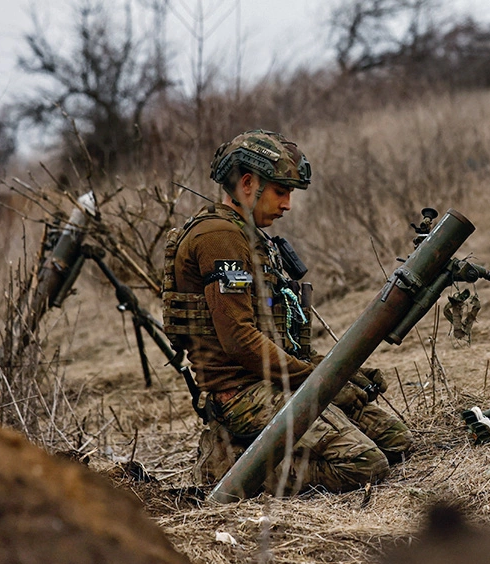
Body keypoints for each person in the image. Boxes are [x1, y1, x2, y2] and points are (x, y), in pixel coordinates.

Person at [161, 130, 409, 494]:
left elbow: (280, 333)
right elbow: (240, 341)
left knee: (396, 442)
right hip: (243, 394)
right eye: (281, 190)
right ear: (248, 184)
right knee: (365, 464)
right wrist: (318, 382)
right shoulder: (219, 238)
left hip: (275, 380)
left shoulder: (251, 236)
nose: (288, 204)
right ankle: (228, 469)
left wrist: (340, 373)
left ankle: (254, 452)